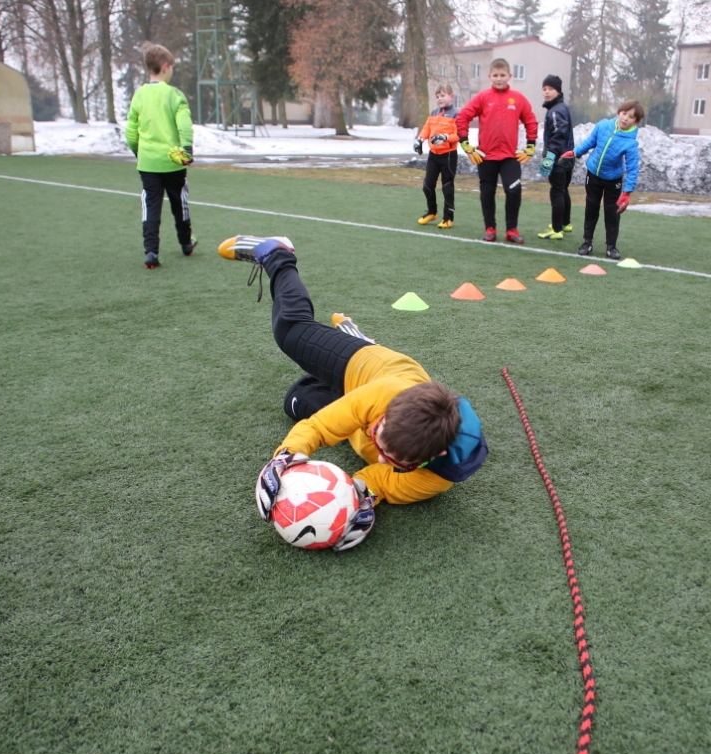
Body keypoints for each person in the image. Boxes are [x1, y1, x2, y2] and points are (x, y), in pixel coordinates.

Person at [218, 234, 489, 551]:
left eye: (393, 459)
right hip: (368, 368)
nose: (380, 453)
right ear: (386, 413)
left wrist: (357, 499)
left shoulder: (441, 476)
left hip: (368, 404)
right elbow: (319, 428)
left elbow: (379, 480)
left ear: (430, 458)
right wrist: (285, 457)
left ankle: (354, 336)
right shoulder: (386, 393)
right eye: (378, 433)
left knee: (296, 399)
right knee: (291, 332)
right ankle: (278, 254)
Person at [125, 42, 195, 269]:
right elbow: (184, 124)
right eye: (172, 66)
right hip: (173, 161)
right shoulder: (174, 94)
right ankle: (186, 243)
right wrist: (187, 149)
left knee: (151, 205)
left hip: (148, 163)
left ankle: (152, 252)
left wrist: (139, 151)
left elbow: (131, 130)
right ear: (165, 66)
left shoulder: (139, 95)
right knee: (179, 202)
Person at [455, 59, 539, 244]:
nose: (499, 79)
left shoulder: (517, 98)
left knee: (514, 190)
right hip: (486, 156)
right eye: (495, 75)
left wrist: (531, 145)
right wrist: (466, 145)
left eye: (502, 75)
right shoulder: (482, 97)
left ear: (509, 76)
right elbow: (462, 118)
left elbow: (531, 121)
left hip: (510, 156)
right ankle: (490, 228)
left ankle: (511, 229)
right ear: (490, 76)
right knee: (487, 192)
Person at [562, 100, 643, 261]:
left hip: (613, 180)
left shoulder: (630, 143)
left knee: (612, 213)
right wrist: (575, 152)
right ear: (618, 113)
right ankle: (587, 242)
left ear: (636, 121)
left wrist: (627, 193)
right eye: (624, 113)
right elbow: (590, 142)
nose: (626, 118)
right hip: (593, 174)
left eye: (631, 116)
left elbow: (632, 169)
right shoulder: (603, 126)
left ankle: (611, 246)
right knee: (591, 208)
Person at [414, 83, 460, 229]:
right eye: (437, 96)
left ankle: (448, 218)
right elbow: (427, 128)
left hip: (448, 156)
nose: (440, 99)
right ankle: (432, 212)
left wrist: (445, 137)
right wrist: (420, 139)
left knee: (447, 186)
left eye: (443, 95)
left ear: (451, 97)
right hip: (433, 155)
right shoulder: (433, 113)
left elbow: (459, 135)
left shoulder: (456, 114)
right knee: (427, 185)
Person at [536, 74, 575, 241]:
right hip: (567, 157)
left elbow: (559, 134)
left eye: (550, 89)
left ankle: (557, 229)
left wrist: (550, 156)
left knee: (557, 191)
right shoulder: (561, 107)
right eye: (544, 89)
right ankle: (565, 223)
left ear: (558, 91)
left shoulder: (555, 110)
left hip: (559, 158)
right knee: (563, 190)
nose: (546, 92)